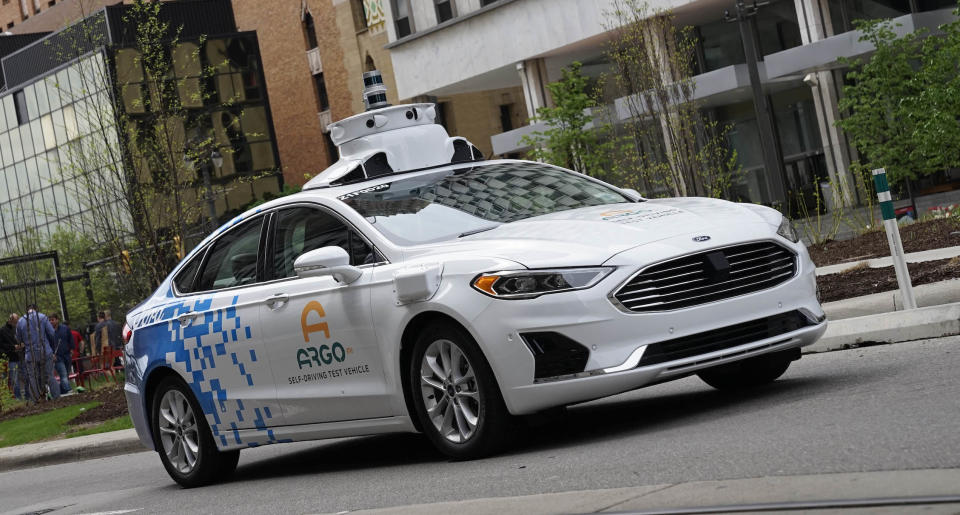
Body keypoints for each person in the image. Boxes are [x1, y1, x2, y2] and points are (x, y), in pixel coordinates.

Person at [16, 305, 60, 402]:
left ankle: (37, 399)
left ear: (27, 310)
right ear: (36, 309)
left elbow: (18, 339)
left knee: (33, 377)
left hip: (30, 354)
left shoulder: (21, 321)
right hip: (45, 351)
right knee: (49, 375)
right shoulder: (43, 317)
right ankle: (57, 398)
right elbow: (52, 334)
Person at [49, 314, 74, 395]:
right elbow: (47, 344)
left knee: (66, 374)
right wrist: (51, 354)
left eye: (52, 320)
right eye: (49, 320)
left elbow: (70, 339)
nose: (51, 322)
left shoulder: (65, 328)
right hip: (57, 357)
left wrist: (72, 349)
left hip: (67, 355)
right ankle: (69, 390)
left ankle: (62, 391)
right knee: (63, 374)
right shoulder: (48, 331)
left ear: (57, 320)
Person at [0, 313, 21, 399]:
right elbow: (1, 345)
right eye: (15, 322)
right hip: (9, 358)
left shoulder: (16, 329)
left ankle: (19, 397)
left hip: (17, 356)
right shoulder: (2, 331)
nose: (16, 324)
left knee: (16, 379)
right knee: (13, 380)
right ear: (11, 320)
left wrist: (20, 345)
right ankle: (17, 398)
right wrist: (12, 347)